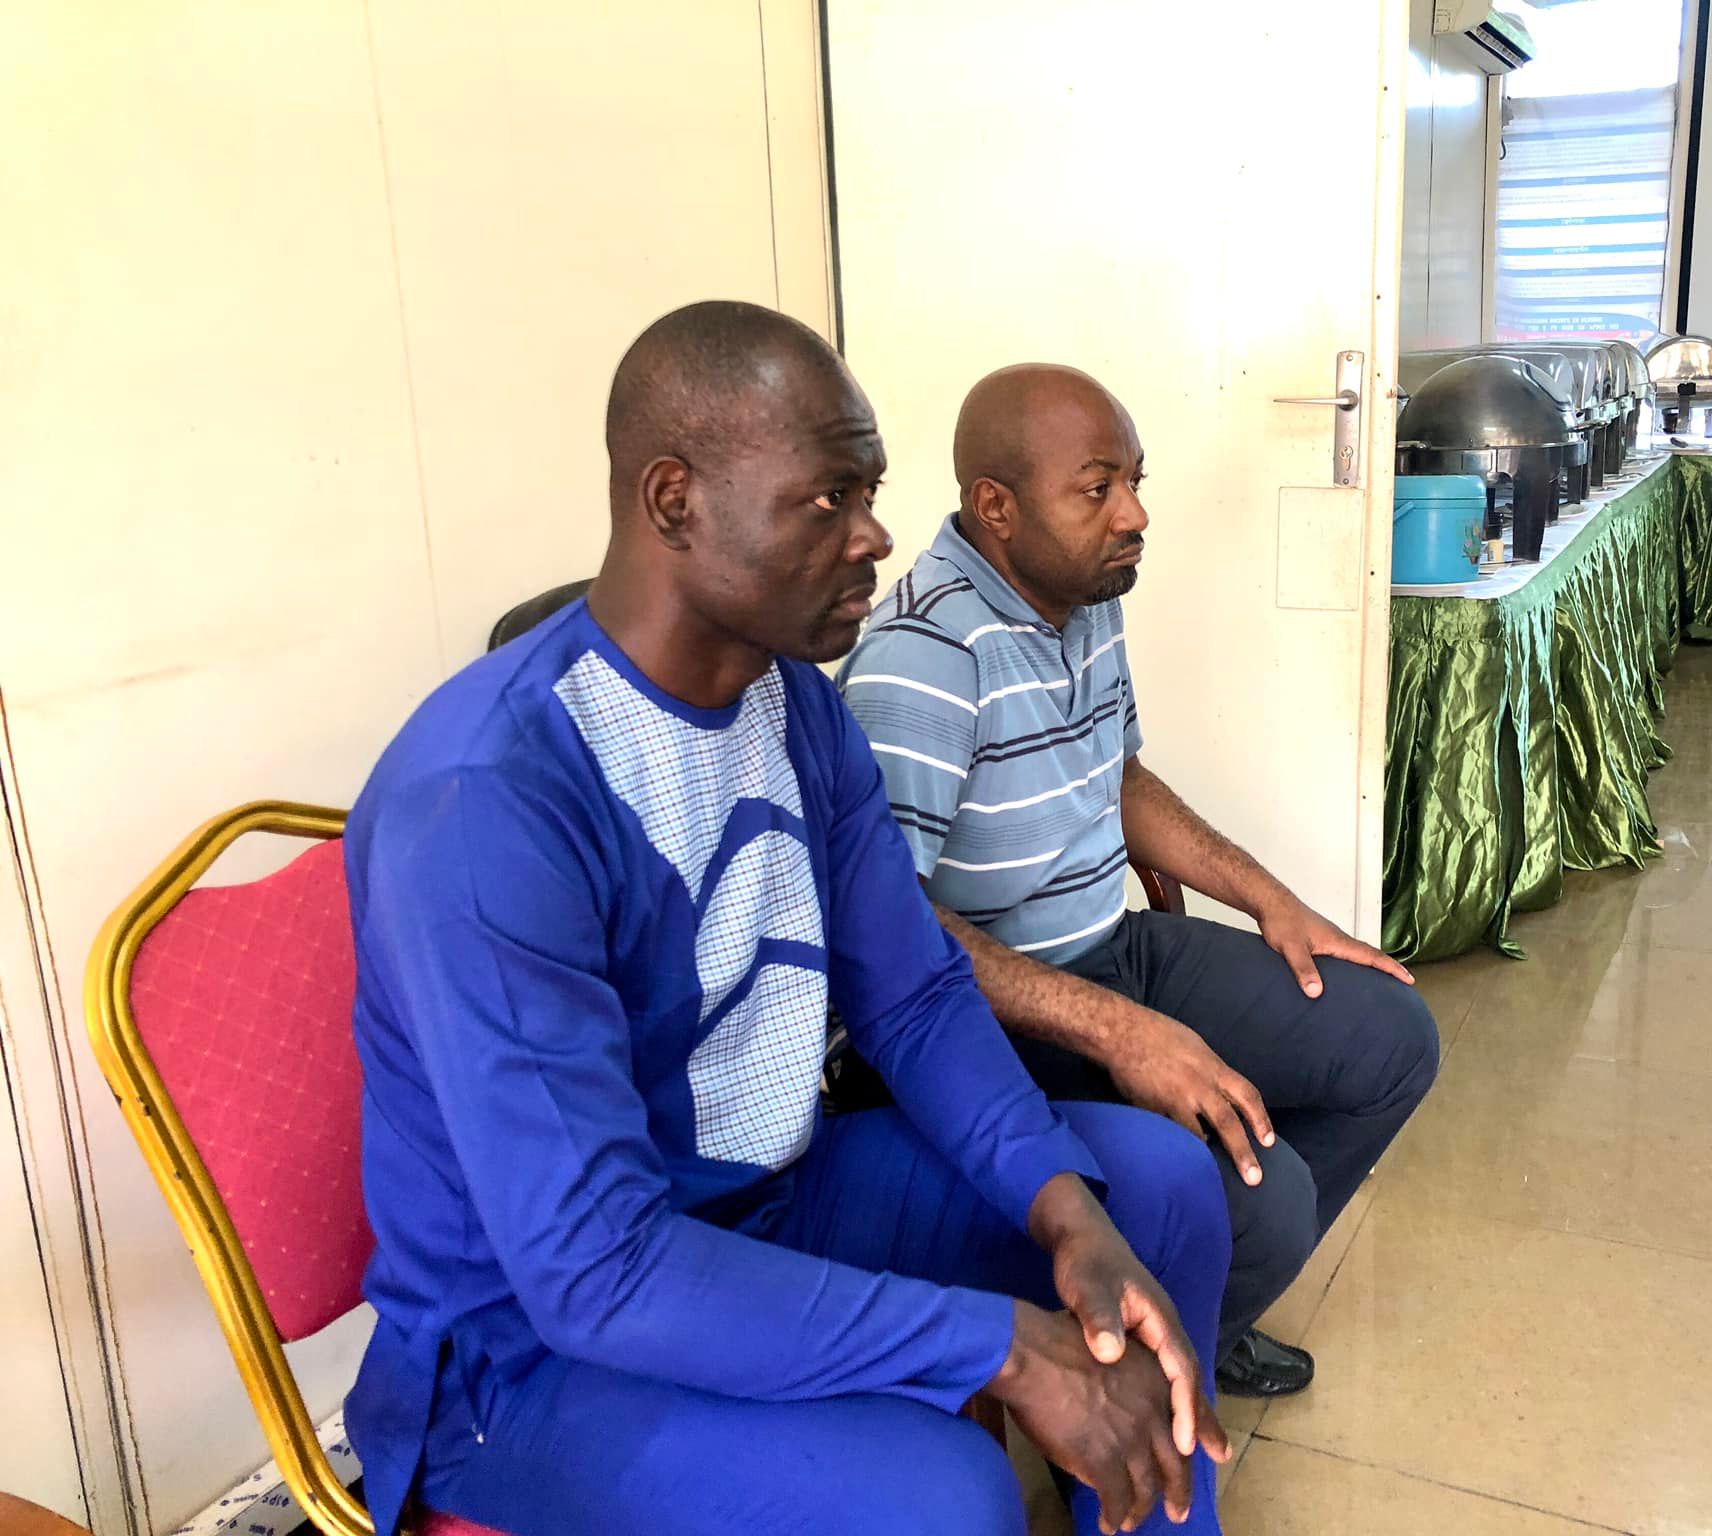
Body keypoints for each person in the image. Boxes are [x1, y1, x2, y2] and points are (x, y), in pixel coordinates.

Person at [343, 308, 1235, 1536]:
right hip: (535, 1348)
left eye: (869, 493)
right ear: (674, 501)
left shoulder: (796, 710)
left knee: (1154, 1191)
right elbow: (595, 1269)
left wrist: (1060, 1208)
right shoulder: (488, 800)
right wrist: (996, 1345)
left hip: (771, 1203)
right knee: (943, 1497)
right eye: (828, 498)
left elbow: (912, 997)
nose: (873, 535)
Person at [836, 364, 1440, 1398]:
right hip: (989, 1016)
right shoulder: (922, 663)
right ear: (996, 507)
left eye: (1134, 481)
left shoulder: (1080, 594)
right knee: (1269, 1204)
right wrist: (1120, 1033)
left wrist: (1271, 900)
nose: (1134, 514)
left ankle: (1198, 1313)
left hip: (1111, 950)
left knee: (1390, 1037)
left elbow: (1117, 777)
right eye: (1098, 488)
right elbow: (888, 935)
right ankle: (1147, 1362)